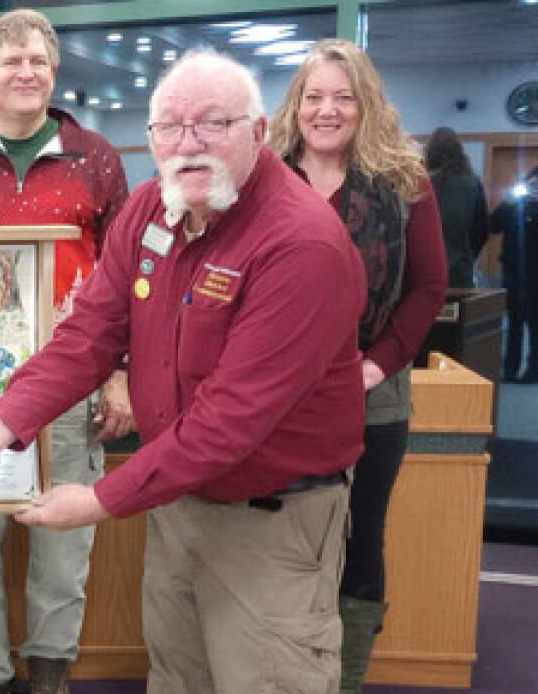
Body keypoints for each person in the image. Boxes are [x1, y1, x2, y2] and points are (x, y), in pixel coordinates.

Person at [0, 49, 369, 693]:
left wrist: (98, 500)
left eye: (213, 124)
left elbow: (228, 422)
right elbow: (87, 337)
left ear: (258, 133)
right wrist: (1, 423)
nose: (188, 143)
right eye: (169, 127)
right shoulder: (150, 211)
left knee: (269, 682)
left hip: (273, 523)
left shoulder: (301, 243)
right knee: (177, 678)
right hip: (177, 504)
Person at [0, 10, 132, 692]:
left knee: (63, 548)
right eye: (11, 60)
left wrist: (120, 374)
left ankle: (48, 674)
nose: (25, 72)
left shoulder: (95, 156)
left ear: (54, 72)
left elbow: (127, 274)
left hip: (70, 383)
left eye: (38, 60)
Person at [269, 39, 446, 693]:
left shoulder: (406, 181)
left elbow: (429, 287)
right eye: (314, 96)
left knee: (360, 539)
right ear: (297, 104)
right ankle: (286, 670)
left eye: (343, 97)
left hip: (374, 396)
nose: (327, 110)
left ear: (365, 103)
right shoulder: (265, 177)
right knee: (285, 540)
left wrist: (375, 366)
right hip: (280, 397)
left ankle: (343, 680)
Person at [424, 126, 488, 288]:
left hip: (423, 273)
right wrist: (466, 256)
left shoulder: (418, 184)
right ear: (459, 151)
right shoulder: (473, 184)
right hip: (460, 272)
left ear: (429, 152)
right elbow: (482, 231)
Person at [491, 166, 538, 382]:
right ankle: (510, 369)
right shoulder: (514, 207)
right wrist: (509, 202)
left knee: (535, 324)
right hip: (513, 273)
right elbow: (492, 225)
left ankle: (533, 370)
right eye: (532, 184)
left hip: (535, 277)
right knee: (514, 324)